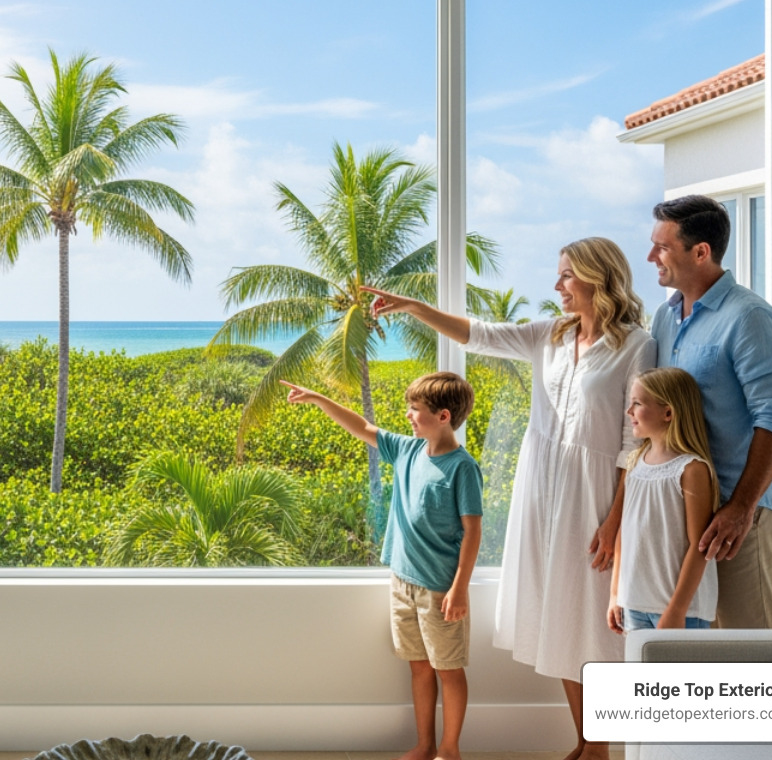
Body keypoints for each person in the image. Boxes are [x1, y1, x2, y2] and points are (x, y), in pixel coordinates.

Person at [365, 236, 654, 760]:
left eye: (566, 275)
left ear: (596, 277)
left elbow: (635, 442)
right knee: (559, 617)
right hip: (541, 488)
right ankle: (588, 744)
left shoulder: (636, 345)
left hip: (594, 494)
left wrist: (615, 520)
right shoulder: (549, 334)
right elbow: (478, 334)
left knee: (593, 621)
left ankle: (601, 746)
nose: (557, 285)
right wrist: (413, 307)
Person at [284, 373, 482, 760]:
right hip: (402, 582)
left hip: (440, 589)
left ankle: (449, 749)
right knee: (420, 668)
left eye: (415, 409)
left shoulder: (462, 468)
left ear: (443, 416)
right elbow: (363, 427)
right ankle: (424, 745)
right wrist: (320, 399)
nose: (408, 415)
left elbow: (472, 531)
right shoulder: (407, 450)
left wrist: (459, 588)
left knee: (448, 670)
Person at [647, 195, 772, 629]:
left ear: (701, 252)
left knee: (748, 651)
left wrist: (741, 506)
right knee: (696, 655)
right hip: (686, 513)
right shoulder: (664, 318)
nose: (651, 256)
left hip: (740, 515)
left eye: (662, 247)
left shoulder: (750, 318)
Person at [609, 367, 720, 634]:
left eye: (637, 403)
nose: (629, 412)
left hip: (682, 611)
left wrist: (676, 610)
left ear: (668, 413)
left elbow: (700, 546)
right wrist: (615, 594)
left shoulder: (691, 469)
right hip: (634, 606)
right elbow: (625, 532)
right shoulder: (635, 463)